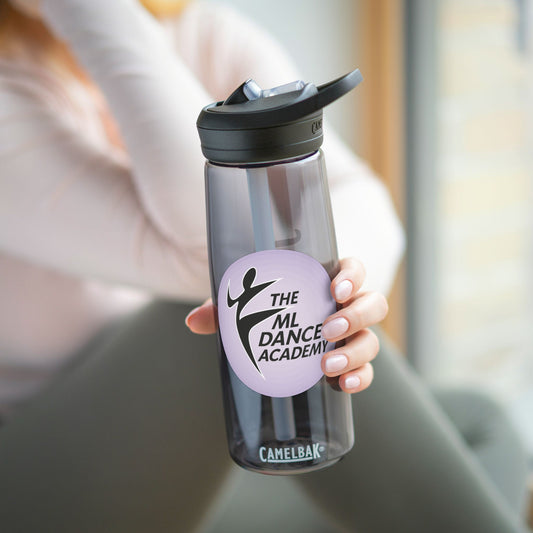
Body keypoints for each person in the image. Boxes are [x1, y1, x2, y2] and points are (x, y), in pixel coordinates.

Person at [0, 1, 528, 532]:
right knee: (223, 317)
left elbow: (364, 201)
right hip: (49, 476)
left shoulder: (194, 32)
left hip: (211, 454)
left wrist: (341, 292)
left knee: (478, 423)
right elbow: (207, 255)